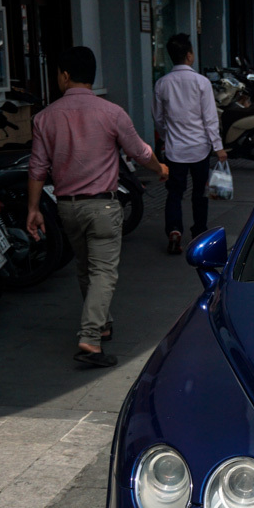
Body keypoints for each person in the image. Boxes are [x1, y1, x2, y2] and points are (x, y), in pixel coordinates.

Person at [28, 46, 168, 368]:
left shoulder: (44, 117)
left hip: (67, 209)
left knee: (84, 268)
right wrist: (160, 169)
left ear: (64, 76)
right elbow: (140, 152)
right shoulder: (112, 113)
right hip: (103, 208)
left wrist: (33, 209)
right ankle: (91, 338)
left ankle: (102, 325)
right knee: (103, 272)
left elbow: (37, 168)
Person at [153, 33, 226, 256]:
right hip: (200, 149)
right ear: (189, 55)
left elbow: (158, 118)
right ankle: (200, 232)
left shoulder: (162, 83)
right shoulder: (202, 83)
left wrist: (167, 138)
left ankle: (174, 230)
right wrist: (218, 146)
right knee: (200, 192)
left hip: (175, 151)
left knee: (175, 192)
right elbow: (210, 118)